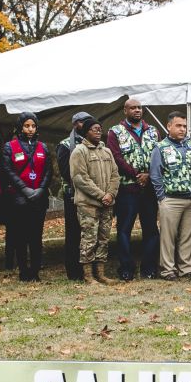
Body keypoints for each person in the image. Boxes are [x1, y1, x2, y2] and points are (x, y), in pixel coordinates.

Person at [107, 98, 161, 281]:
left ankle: (149, 269)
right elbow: (116, 157)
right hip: (127, 188)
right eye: (133, 108)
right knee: (124, 230)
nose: (137, 110)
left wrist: (148, 175)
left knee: (151, 229)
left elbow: (159, 156)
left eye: (139, 107)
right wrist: (137, 174)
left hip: (149, 189)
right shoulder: (115, 132)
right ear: (125, 111)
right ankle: (126, 268)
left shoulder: (153, 131)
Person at [0, 112, 51, 282]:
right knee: (20, 236)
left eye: (33, 126)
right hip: (18, 199)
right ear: (20, 126)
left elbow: (48, 171)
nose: (30, 129)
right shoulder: (10, 147)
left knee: (36, 237)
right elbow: (8, 171)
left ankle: (35, 271)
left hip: (39, 198)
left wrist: (41, 189)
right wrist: (24, 189)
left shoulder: (43, 147)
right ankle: (23, 270)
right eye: (27, 125)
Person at [150, 112, 191, 280]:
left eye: (185, 126)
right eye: (179, 125)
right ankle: (168, 270)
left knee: (188, 236)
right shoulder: (161, 147)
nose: (182, 129)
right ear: (169, 126)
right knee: (168, 237)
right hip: (171, 199)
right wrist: (162, 197)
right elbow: (155, 174)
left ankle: (186, 269)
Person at [70, 119, 119, 285]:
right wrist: (101, 195)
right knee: (89, 239)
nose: (98, 131)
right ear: (86, 132)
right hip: (88, 205)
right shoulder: (79, 151)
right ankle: (88, 275)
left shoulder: (107, 152)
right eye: (94, 129)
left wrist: (111, 194)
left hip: (107, 204)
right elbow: (80, 179)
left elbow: (115, 175)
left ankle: (101, 273)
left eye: (100, 129)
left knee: (103, 239)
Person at [54, 112, 94, 281]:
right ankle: (74, 271)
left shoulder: (95, 143)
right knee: (74, 233)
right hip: (73, 195)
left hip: (92, 194)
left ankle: (89, 269)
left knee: (90, 232)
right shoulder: (64, 145)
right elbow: (65, 172)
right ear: (76, 124)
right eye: (84, 122)